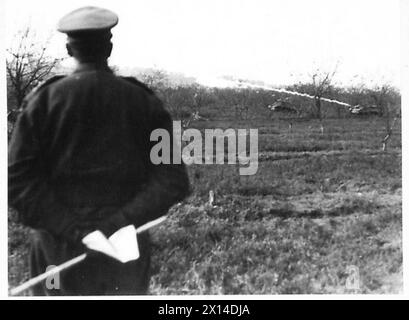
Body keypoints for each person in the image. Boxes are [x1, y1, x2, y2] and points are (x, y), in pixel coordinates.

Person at [8, 6, 190, 295]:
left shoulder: (41, 103)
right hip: (122, 250)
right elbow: (173, 180)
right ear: (109, 47)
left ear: (69, 49)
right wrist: (115, 224)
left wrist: (73, 230)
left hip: (57, 252)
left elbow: (16, 182)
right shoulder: (144, 102)